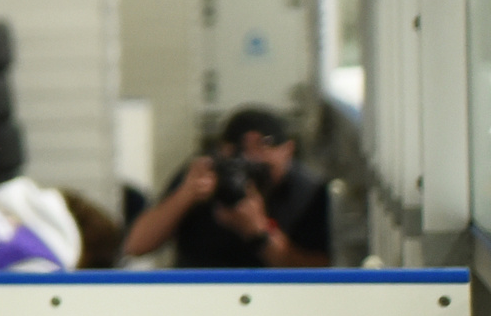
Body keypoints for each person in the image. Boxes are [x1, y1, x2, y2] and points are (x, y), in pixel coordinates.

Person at [119, 106, 332, 269]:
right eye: (240, 159)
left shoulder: (306, 193)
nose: (250, 167)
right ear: (221, 152)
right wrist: (186, 195)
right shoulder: (205, 175)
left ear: (288, 150)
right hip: (201, 292)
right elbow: (136, 245)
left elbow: (319, 271)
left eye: (263, 149)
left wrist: (261, 235)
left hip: (273, 301)